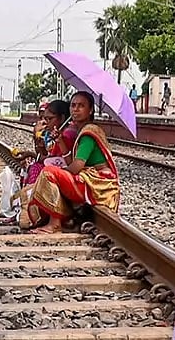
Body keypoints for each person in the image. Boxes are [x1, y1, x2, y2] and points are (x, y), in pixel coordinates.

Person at [20, 91, 121, 234]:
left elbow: (77, 166)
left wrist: (58, 175)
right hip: (90, 179)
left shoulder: (89, 133)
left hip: (98, 183)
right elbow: (71, 161)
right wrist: (60, 141)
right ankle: (60, 218)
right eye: (73, 105)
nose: (76, 109)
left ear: (90, 110)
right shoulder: (81, 131)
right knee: (53, 173)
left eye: (81, 106)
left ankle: (54, 224)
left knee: (49, 173)